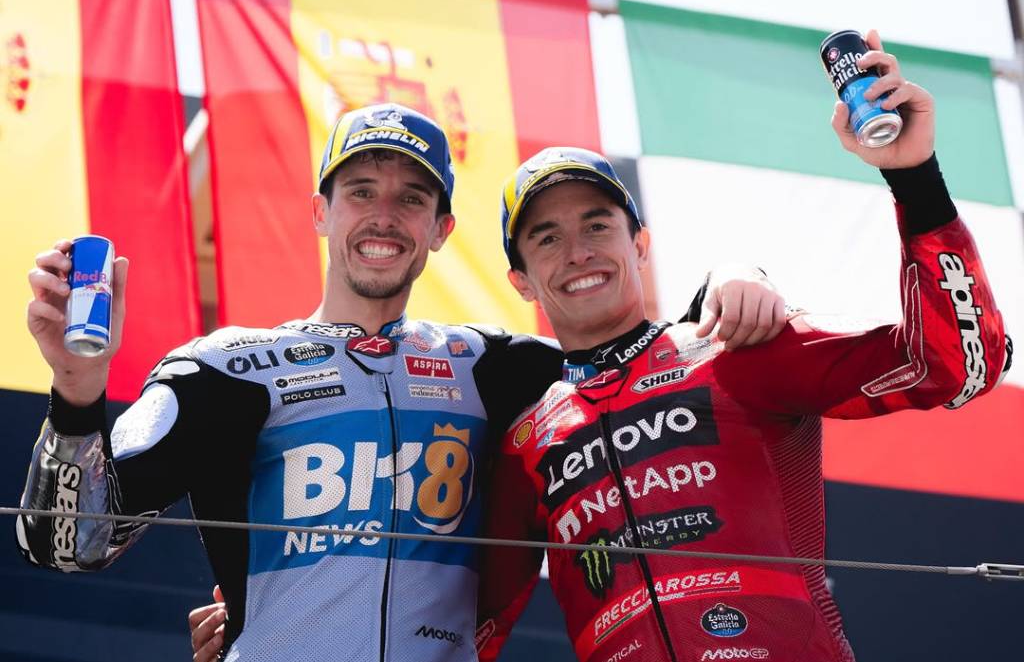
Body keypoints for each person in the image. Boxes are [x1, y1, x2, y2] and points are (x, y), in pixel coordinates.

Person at [20, 103, 784, 662]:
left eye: (411, 198)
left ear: (440, 230)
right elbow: (67, 545)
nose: (383, 216)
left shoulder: (497, 367)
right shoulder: (225, 367)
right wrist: (76, 390)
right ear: (320, 212)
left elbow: (645, 361)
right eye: (360, 191)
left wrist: (735, 276)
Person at [473, 33, 1012, 662]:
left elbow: (954, 365)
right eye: (547, 238)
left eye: (597, 225)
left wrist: (914, 176)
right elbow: (464, 629)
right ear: (520, 280)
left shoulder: (732, 349)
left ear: (640, 245)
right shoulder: (525, 440)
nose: (578, 253)